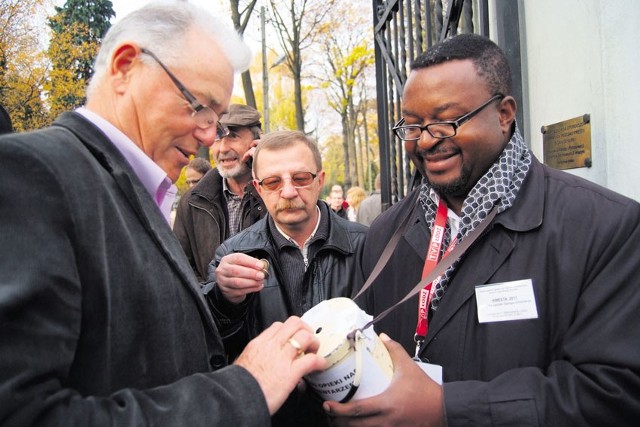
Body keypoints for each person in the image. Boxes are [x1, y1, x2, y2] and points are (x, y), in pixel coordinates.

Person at [0, 2, 326, 425]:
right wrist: (245, 387)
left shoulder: (137, 190)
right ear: (125, 68)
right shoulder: (29, 174)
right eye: (198, 107)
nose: (209, 135)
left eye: (218, 117)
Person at [324, 33, 640, 425]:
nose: (425, 141)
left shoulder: (606, 228)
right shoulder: (386, 232)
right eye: (411, 126)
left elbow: (614, 394)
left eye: (446, 121)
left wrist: (447, 408)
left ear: (504, 113)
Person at [205, 130, 367, 425]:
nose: (289, 192)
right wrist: (224, 299)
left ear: (320, 179)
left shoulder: (366, 245)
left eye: (301, 178)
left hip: (353, 413)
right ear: (258, 187)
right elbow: (214, 346)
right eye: (273, 182)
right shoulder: (234, 255)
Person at [173, 103, 266, 281]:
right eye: (217, 137)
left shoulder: (276, 192)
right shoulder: (192, 202)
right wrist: (216, 295)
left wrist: (269, 168)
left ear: (257, 141)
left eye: (233, 136)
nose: (222, 148)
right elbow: (181, 269)